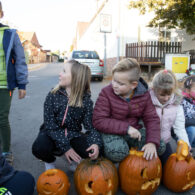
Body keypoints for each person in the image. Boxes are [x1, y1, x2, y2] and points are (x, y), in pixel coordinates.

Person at [32, 60, 103, 171]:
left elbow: (91, 126)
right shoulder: (53, 95)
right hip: (50, 132)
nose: (60, 74)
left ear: (75, 78)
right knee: (39, 148)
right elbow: (50, 125)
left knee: (91, 149)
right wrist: (66, 148)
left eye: (64, 71)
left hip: (72, 134)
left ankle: (72, 158)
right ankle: (50, 161)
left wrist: (96, 144)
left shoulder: (85, 101)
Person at [93, 58, 164, 164]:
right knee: (118, 151)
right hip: (111, 131)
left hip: (135, 132)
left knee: (160, 146)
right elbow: (98, 120)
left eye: (120, 83)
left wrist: (152, 143)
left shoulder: (143, 94)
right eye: (114, 80)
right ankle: (109, 158)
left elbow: (151, 118)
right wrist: (126, 128)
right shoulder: (106, 93)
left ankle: (136, 165)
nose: (114, 85)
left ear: (133, 85)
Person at [0, 1, 28, 164]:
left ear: (1, 13)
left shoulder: (10, 34)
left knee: (2, 118)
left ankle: (6, 151)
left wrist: (22, 84)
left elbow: (20, 59)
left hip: (4, 85)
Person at [150, 70, 190, 166]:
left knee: (170, 167)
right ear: (154, 89)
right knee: (147, 168)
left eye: (169, 94)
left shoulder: (177, 105)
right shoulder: (147, 101)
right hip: (148, 141)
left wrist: (186, 145)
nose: (166, 98)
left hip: (164, 141)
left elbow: (179, 128)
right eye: (162, 95)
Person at [182, 75, 195, 148]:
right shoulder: (183, 101)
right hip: (186, 127)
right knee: (192, 130)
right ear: (187, 90)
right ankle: (185, 149)